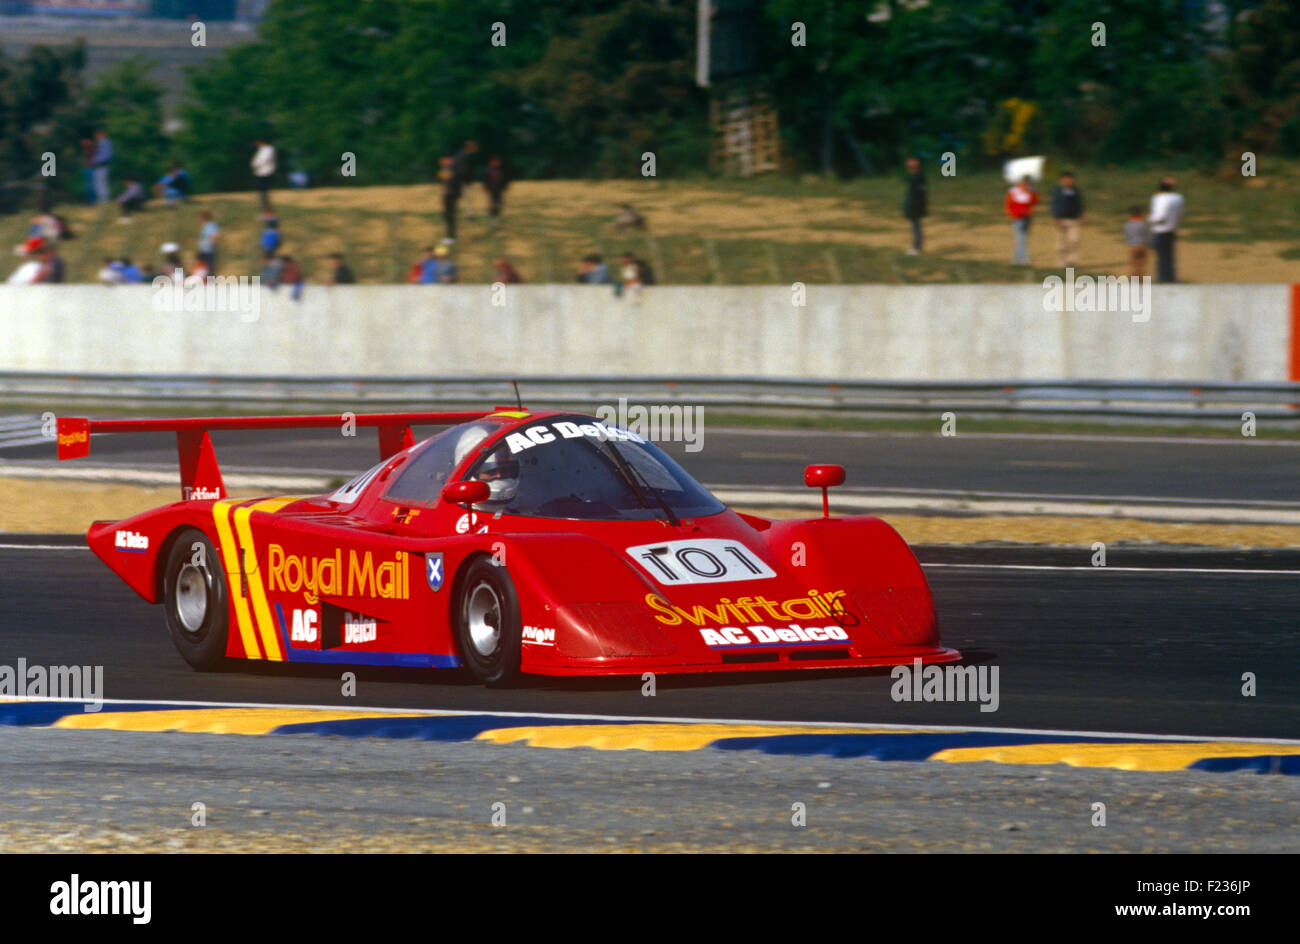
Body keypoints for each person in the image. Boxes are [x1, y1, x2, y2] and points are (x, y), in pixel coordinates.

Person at [1149, 176, 1185, 283]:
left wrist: (1150, 220)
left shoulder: (1159, 198)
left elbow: (1160, 215)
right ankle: (1171, 278)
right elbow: (1180, 213)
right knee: (1170, 256)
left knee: (1161, 257)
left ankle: (1162, 279)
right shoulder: (1178, 198)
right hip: (1172, 229)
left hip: (1159, 230)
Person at [1050, 170, 1085, 268]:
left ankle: (1071, 260)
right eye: (1065, 179)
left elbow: (1080, 204)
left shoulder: (1076, 191)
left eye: (1070, 179)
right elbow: (1054, 204)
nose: (1068, 181)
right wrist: (1055, 217)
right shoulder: (1057, 191)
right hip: (1060, 219)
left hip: (1073, 219)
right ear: (1061, 180)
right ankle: (1062, 261)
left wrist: (1081, 215)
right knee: (1060, 243)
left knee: (1074, 240)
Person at [1004, 175, 1039, 266]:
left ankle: (1016, 260)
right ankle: (1023, 260)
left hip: (1027, 218)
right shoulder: (1014, 192)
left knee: (1022, 239)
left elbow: (1035, 202)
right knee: (1021, 239)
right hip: (1017, 219)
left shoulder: (1031, 193)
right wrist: (1013, 214)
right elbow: (1009, 205)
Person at [902, 156, 927, 254]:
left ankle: (917, 248)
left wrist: (913, 207)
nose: (908, 164)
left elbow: (919, 195)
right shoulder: (916, 176)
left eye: (911, 162)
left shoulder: (918, 177)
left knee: (916, 227)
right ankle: (917, 247)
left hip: (915, 207)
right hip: (915, 206)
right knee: (916, 227)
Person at [1124, 205, 1150, 278]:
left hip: (1132, 246)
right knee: (1141, 265)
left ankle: (1132, 279)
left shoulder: (1128, 224)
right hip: (1142, 246)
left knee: (1134, 264)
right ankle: (1140, 280)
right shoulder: (1143, 224)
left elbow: (1127, 236)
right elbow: (1147, 236)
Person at [438, 156, 460, 240]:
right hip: (446, 195)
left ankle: (451, 235)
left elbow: (455, 182)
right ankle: (449, 233)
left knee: (450, 215)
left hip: (452, 195)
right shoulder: (443, 170)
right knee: (446, 215)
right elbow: (441, 181)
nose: (443, 162)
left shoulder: (454, 170)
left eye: (445, 160)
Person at [251, 138, 276, 211]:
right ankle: (265, 208)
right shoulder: (262, 150)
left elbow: (263, 160)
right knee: (262, 191)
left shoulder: (268, 149)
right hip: (260, 172)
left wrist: (256, 165)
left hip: (265, 172)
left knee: (264, 191)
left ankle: (267, 209)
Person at [91, 131, 113, 205]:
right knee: (98, 183)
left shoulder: (105, 143)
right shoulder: (102, 143)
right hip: (98, 166)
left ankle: (104, 201)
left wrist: (96, 161)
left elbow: (106, 156)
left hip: (101, 166)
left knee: (101, 183)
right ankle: (102, 200)